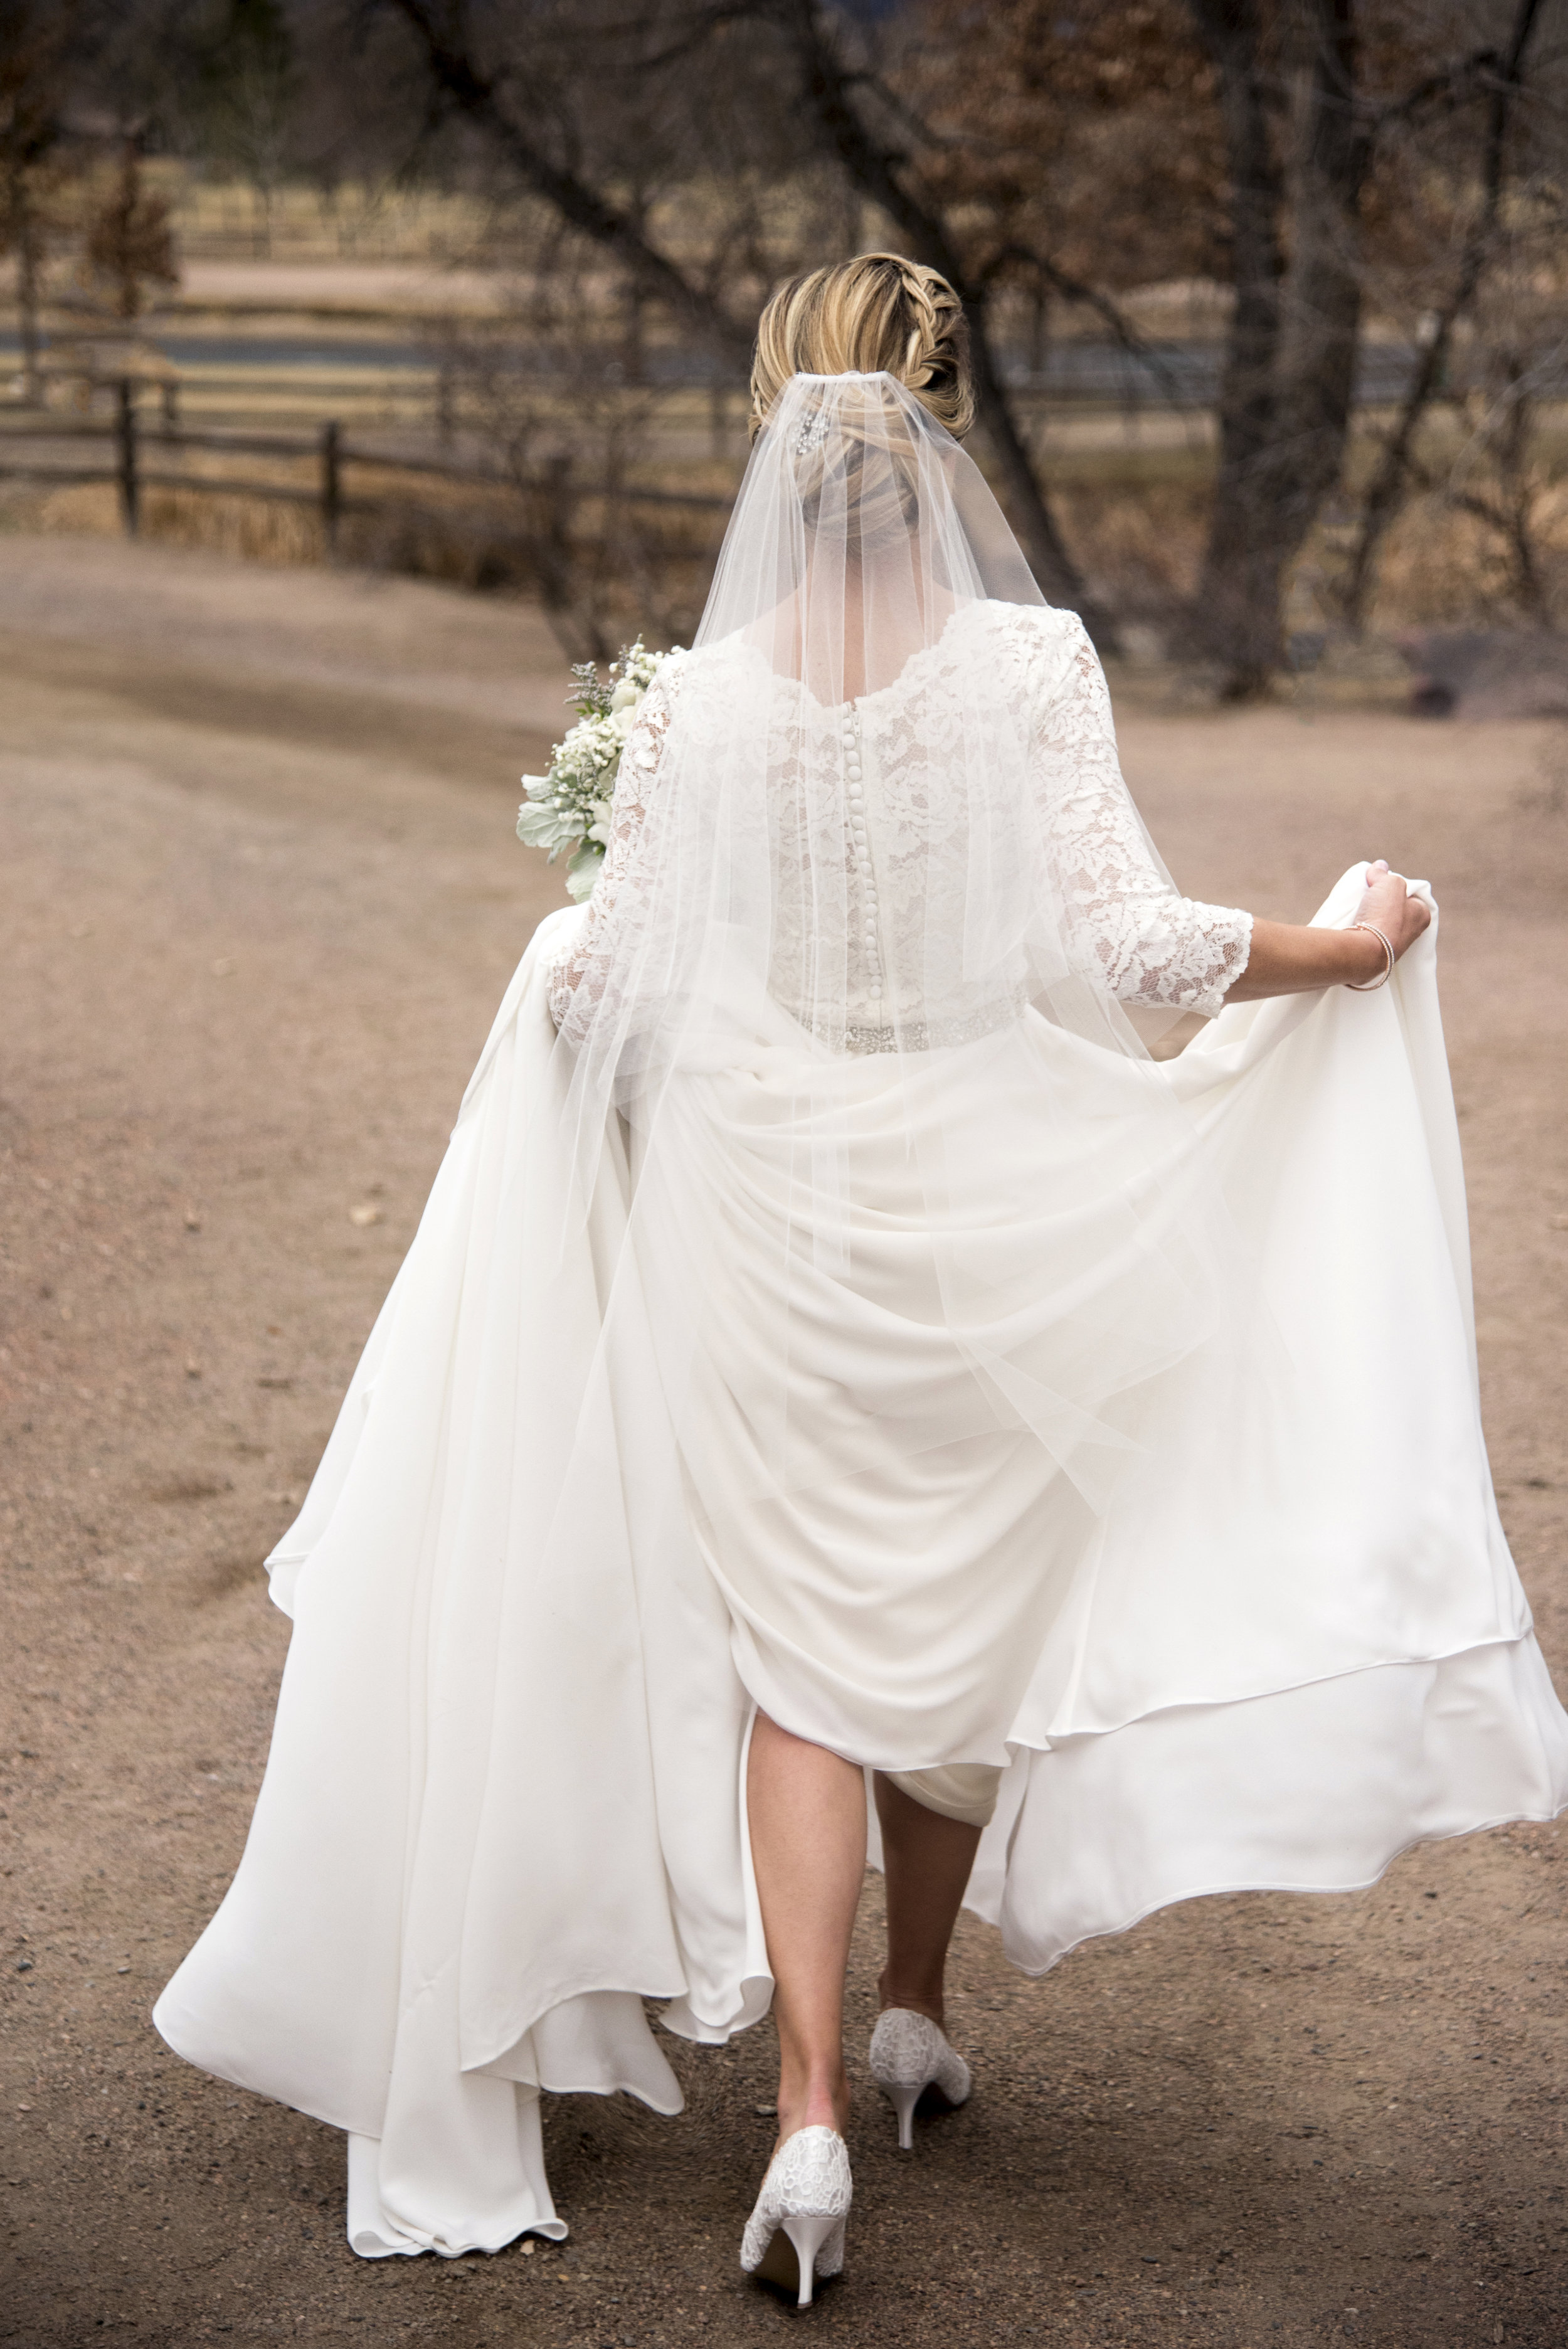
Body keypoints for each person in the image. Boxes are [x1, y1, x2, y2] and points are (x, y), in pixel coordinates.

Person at [155, 256, 1568, 2305]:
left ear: (772, 427)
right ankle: (915, 2002)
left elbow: (610, 992)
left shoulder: (692, 704)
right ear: (943, 432)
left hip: (768, 1220)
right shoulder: (1028, 667)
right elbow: (1128, 945)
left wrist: (579, 1009)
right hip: (1001, 1194)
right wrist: (1340, 947)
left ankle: (811, 2109)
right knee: (968, 1614)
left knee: (809, 1656)